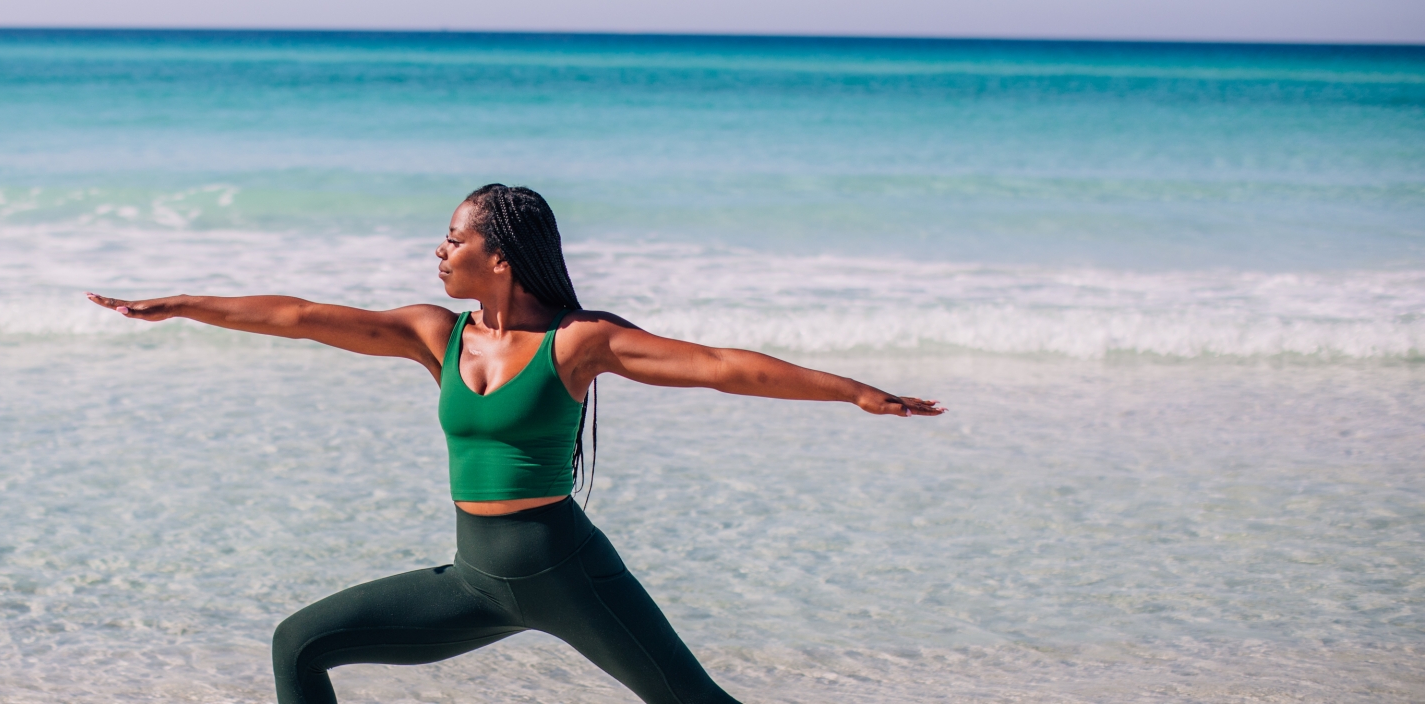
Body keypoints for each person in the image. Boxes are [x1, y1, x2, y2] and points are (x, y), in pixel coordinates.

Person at [88, 183, 943, 704]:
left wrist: (853, 390)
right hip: (476, 580)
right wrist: (185, 303)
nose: (440, 250)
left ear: (499, 258)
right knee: (299, 645)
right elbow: (304, 317)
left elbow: (723, 367)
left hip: (568, 573)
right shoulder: (437, 336)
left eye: (455, 239)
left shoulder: (579, 342)